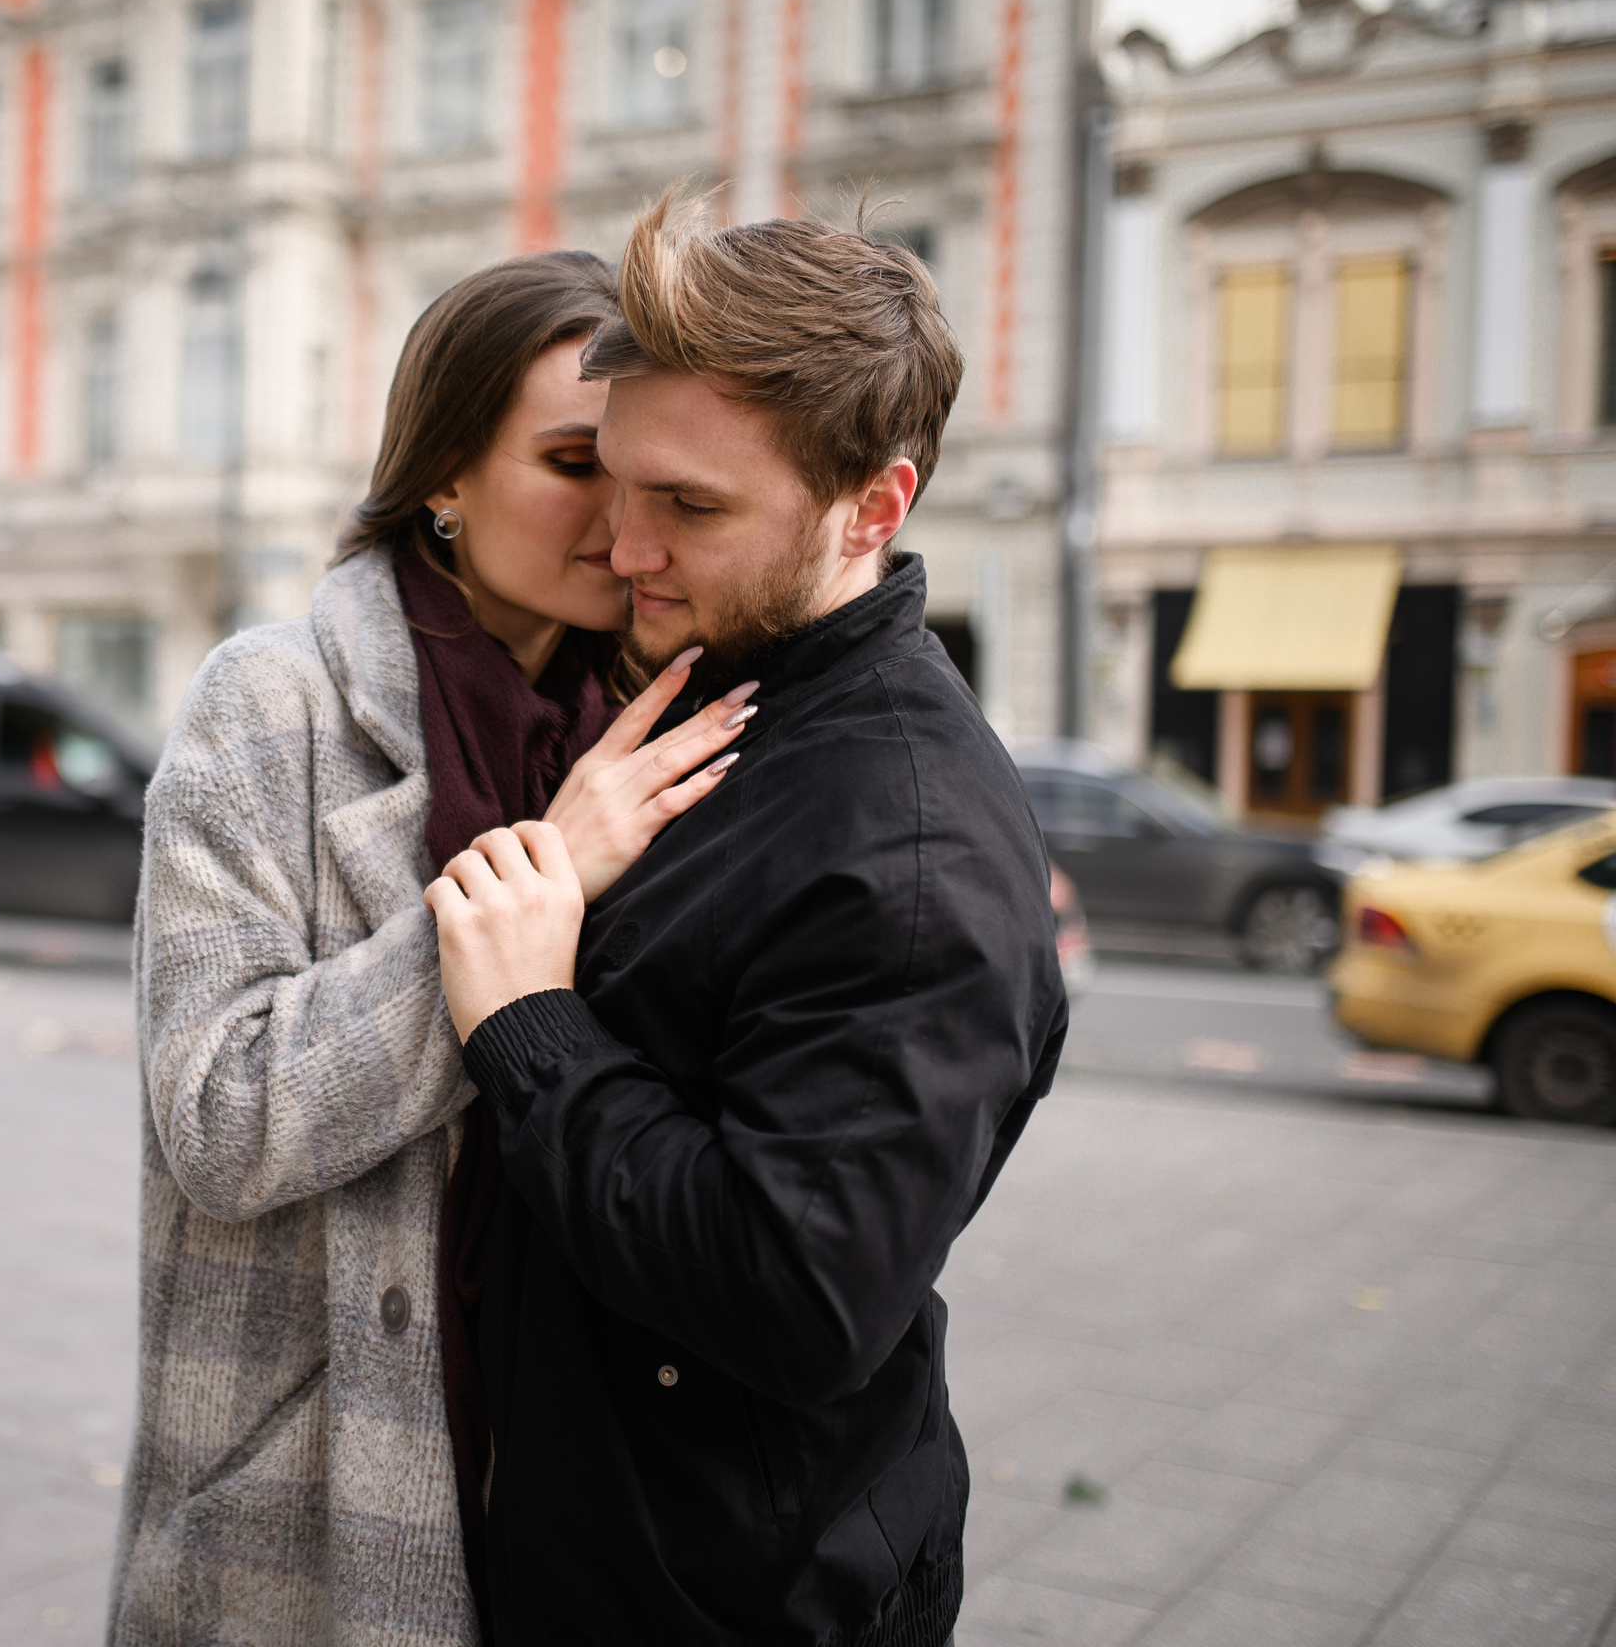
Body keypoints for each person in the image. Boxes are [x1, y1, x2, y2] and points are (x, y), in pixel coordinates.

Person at [425, 193, 1068, 1644]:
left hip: (734, 1600)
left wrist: (530, 1027)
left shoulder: (905, 849)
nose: (624, 545)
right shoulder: (731, 688)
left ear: (874, 508)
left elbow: (798, 1296)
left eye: (692, 507)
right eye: (619, 480)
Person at [112, 251, 758, 1646]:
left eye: (648, 476)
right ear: (443, 482)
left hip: (583, 1493)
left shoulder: (652, 726)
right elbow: (220, 1119)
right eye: (574, 461)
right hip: (317, 1491)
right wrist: (545, 875)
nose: (620, 516)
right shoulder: (273, 705)